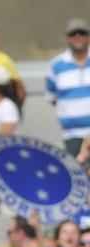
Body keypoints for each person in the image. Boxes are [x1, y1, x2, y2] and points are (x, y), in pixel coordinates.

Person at [47, 19, 90, 161]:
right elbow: (52, 97)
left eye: (82, 33)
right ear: (67, 38)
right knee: (76, 173)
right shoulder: (56, 65)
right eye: (73, 34)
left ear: (88, 37)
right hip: (71, 136)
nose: (78, 36)